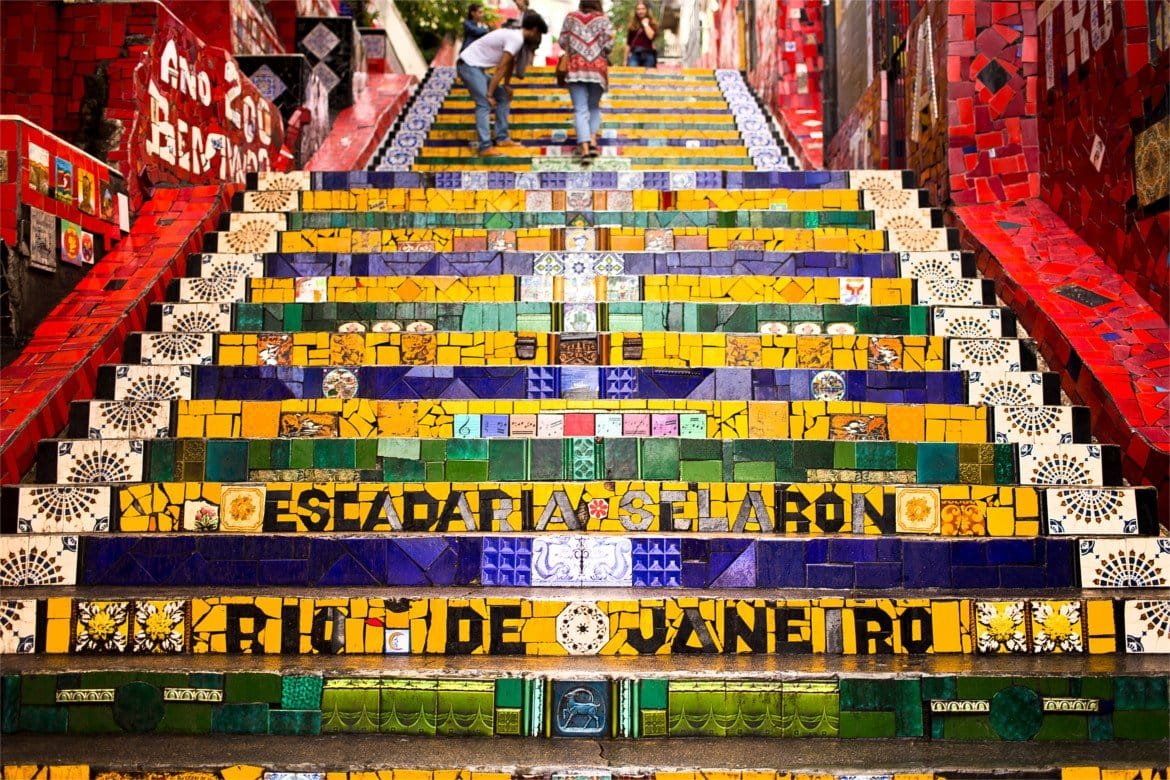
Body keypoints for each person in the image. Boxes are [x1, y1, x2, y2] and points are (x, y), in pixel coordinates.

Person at [457, 10, 548, 155]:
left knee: (504, 96)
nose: (538, 38)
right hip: (468, 65)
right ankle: (485, 147)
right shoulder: (516, 38)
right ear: (535, 30)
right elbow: (501, 67)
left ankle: (502, 138)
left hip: (476, 68)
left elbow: (510, 63)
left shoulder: (516, 38)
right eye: (539, 34)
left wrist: (506, 85)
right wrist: (489, 94)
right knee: (483, 103)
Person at [559, 0, 613, 159]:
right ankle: (593, 143)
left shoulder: (570, 18)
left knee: (580, 109)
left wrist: (577, 45)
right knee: (594, 107)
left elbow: (562, 42)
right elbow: (609, 46)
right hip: (598, 70)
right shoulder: (603, 20)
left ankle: (584, 148)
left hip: (576, 68)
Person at [626, 2, 657, 68]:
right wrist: (625, 60)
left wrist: (646, 25)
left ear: (646, 10)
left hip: (648, 54)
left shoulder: (652, 24)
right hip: (635, 54)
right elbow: (628, 44)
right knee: (633, 75)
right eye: (638, 9)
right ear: (636, 11)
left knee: (649, 77)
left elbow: (651, 36)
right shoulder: (632, 25)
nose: (640, 11)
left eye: (643, 9)